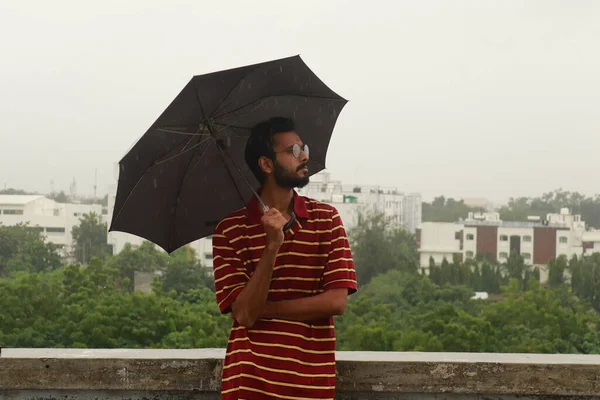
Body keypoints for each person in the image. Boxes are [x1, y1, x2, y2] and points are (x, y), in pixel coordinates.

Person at [212, 116, 358, 399]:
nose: (304, 156)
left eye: (303, 148)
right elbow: (243, 314)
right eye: (293, 151)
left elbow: (336, 301)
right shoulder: (230, 230)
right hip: (249, 383)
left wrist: (267, 310)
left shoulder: (326, 219)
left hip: (309, 386)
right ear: (266, 165)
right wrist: (271, 247)